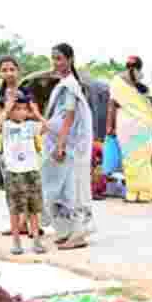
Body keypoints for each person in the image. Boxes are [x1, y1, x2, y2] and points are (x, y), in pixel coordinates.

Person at [41, 43, 96, 250]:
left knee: (74, 188)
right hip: (61, 142)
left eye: (59, 58)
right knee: (60, 188)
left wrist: (61, 144)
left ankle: (78, 233)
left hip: (71, 146)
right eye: (53, 58)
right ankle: (66, 231)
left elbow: (69, 118)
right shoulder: (63, 84)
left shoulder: (70, 86)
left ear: (70, 59)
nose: (56, 63)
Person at [106, 56, 152, 204]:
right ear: (140, 67)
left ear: (126, 66)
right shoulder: (145, 82)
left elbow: (112, 105)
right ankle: (145, 194)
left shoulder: (116, 82)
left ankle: (132, 194)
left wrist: (109, 126)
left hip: (125, 126)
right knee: (143, 160)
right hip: (143, 127)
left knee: (129, 159)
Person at [0, 89, 48, 255]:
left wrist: (36, 112)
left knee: (33, 208)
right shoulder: (7, 126)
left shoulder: (31, 126)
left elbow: (46, 126)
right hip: (13, 172)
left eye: (24, 108)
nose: (21, 112)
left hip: (31, 171)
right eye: (17, 109)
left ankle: (37, 241)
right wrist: (7, 108)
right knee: (15, 209)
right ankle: (16, 242)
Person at [0, 57, 42, 123]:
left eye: (12, 69)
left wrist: (25, 115)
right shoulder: (0, 93)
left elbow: (36, 116)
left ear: (18, 71)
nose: (9, 73)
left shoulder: (26, 91)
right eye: (4, 70)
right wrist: (8, 112)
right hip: (5, 127)